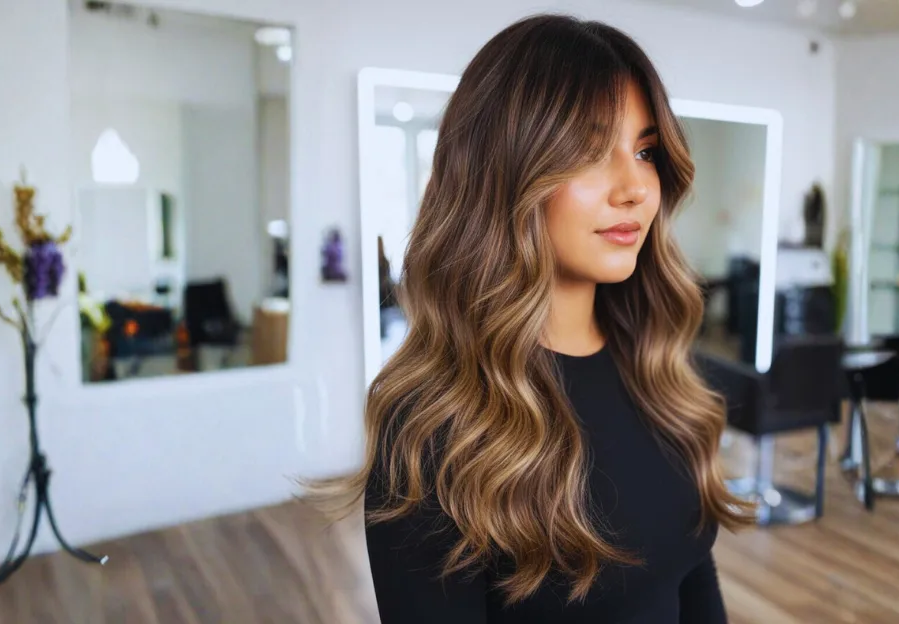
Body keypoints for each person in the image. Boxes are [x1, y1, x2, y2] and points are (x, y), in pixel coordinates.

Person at [308, 13, 754, 623]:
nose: (636, 188)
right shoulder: (437, 430)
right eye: (591, 151)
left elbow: (690, 577)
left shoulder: (657, 373)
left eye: (645, 150)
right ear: (505, 171)